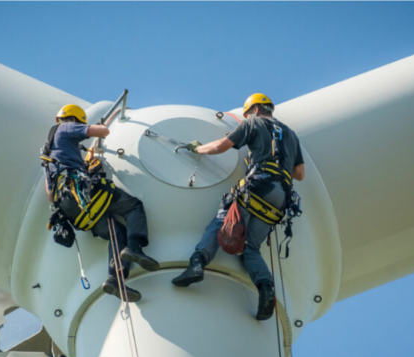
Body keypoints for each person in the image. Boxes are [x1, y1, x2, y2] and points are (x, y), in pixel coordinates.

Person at [172, 93, 305, 320]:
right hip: (280, 199)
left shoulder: (252, 123)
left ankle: (197, 264)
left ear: (253, 110)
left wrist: (197, 149)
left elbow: (221, 146)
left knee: (221, 223)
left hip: (257, 186)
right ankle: (266, 288)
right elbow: (299, 174)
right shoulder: (291, 135)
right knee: (250, 248)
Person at [44, 104, 160, 301]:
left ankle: (114, 280)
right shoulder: (66, 128)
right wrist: (106, 120)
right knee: (133, 206)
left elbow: (49, 194)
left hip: (70, 208)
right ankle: (135, 247)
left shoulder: (48, 154)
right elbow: (102, 131)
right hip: (81, 192)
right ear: (74, 119)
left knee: (117, 232)